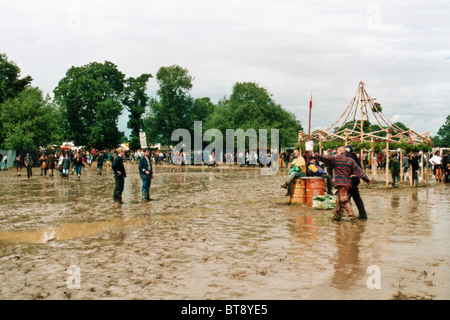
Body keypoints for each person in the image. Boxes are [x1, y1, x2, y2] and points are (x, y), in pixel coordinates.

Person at [313, 146, 371, 222]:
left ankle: (352, 217)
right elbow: (359, 171)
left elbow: (326, 158)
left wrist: (316, 155)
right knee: (338, 200)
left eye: (337, 152)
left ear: (341, 152)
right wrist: (367, 179)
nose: (336, 153)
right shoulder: (350, 160)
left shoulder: (336, 159)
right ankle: (336, 217)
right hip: (347, 183)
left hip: (341, 183)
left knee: (344, 201)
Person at [344, 145, 368, 219]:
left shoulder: (350, 158)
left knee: (343, 198)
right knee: (356, 198)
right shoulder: (354, 157)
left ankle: (339, 214)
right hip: (355, 179)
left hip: (352, 179)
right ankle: (363, 215)